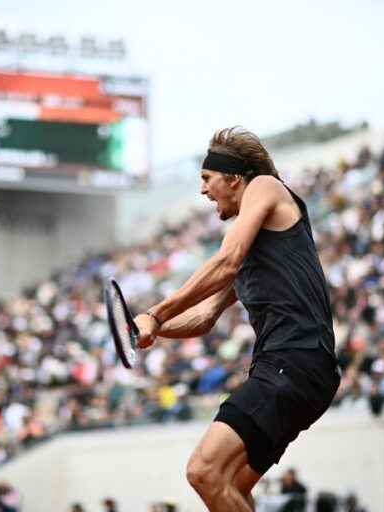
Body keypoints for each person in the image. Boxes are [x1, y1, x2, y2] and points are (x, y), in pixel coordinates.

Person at [134, 127, 341, 512]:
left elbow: (226, 262)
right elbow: (204, 316)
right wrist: (150, 329)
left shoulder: (264, 186)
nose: (202, 190)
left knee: (203, 471)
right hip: (304, 372)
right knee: (230, 488)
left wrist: (155, 312)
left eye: (207, 179)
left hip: (293, 361)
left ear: (234, 178)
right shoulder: (255, 250)